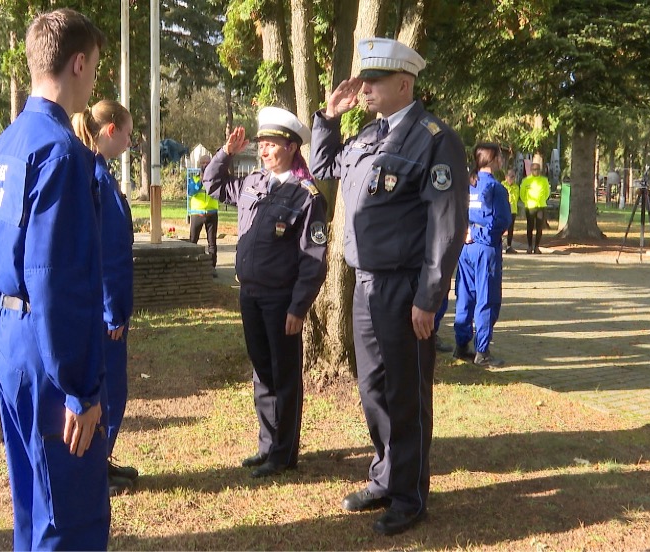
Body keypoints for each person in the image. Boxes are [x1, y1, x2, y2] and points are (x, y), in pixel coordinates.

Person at [310, 38, 468, 535]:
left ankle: (410, 494)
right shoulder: (367, 137)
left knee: (406, 392)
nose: (365, 89)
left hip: (405, 288)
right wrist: (329, 118)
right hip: (366, 285)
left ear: (404, 83)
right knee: (373, 387)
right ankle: (384, 476)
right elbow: (323, 167)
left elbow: (446, 226)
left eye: (374, 82)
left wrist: (429, 297)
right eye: (365, 81)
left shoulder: (435, 139)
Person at [0, 9, 109, 550]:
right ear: (78, 63)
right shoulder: (61, 152)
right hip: (46, 350)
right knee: (67, 513)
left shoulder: (5, 146)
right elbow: (57, 280)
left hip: (8, 337)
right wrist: (81, 388)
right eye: (95, 68)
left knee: (30, 499)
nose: (94, 80)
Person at [203, 106, 328, 479]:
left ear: (291, 147)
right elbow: (211, 185)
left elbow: (313, 258)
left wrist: (299, 306)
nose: (264, 151)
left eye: (271, 144)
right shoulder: (253, 182)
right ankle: (266, 445)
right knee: (262, 372)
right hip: (250, 294)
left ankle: (284, 453)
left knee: (284, 374)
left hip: (281, 299)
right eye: (262, 145)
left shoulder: (306, 195)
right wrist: (225, 153)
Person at [71, 100, 139, 496]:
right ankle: (96, 468)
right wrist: (114, 312)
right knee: (110, 387)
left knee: (110, 388)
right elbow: (109, 250)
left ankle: (103, 461)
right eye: (128, 134)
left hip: (98, 305)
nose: (130, 142)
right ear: (110, 130)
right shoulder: (97, 176)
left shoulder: (95, 171)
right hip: (103, 310)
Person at [452, 144, 511, 367]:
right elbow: (502, 221)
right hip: (485, 248)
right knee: (487, 297)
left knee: (465, 295)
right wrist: (478, 232)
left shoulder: (468, 184)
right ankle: (482, 351)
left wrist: (466, 230)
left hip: (466, 247)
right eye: (500, 157)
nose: (502, 161)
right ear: (493, 160)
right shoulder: (496, 188)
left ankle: (461, 345)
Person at [187, 154, 219, 275]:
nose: (205, 165)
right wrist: (201, 180)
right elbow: (191, 191)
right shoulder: (194, 177)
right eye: (203, 163)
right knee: (193, 241)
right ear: (199, 164)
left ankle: (212, 267)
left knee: (212, 242)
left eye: (207, 163)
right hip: (197, 213)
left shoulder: (215, 177)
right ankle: (190, 266)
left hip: (211, 213)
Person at [520, 162, 550, 253]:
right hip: (530, 207)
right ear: (531, 170)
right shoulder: (526, 180)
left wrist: (542, 200)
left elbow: (547, 193)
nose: (536, 171)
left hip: (541, 206)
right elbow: (522, 193)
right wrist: (527, 201)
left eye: (537, 169)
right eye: (534, 169)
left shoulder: (544, 180)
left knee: (539, 227)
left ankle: (537, 246)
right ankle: (529, 246)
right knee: (530, 226)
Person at [502, 168, 520, 253]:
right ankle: (500, 244)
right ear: (506, 177)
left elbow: (517, 197)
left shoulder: (516, 187)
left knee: (510, 229)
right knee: (501, 228)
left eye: (513, 176)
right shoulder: (502, 185)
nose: (512, 178)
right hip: (503, 210)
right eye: (510, 176)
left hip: (513, 210)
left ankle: (509, 246)